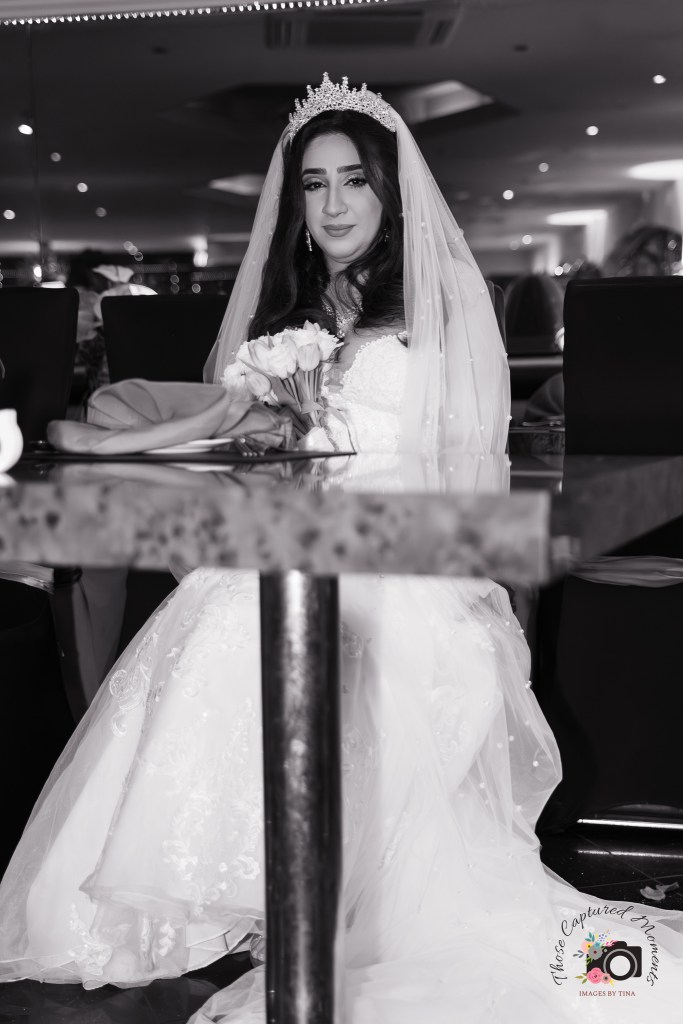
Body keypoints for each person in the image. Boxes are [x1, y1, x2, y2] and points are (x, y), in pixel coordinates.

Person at [1, 76, 682, 1024]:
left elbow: (470, 463)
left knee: (286, 634)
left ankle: (302, 890)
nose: (332, 205)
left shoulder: (445, 300)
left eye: (353, 181)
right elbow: (184, 428)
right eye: (313, 184)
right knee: (223, 611)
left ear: (389, 192)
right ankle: (229, 889)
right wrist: (160, 432)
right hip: (297, 543)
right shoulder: (286, 314)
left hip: (408, 548)